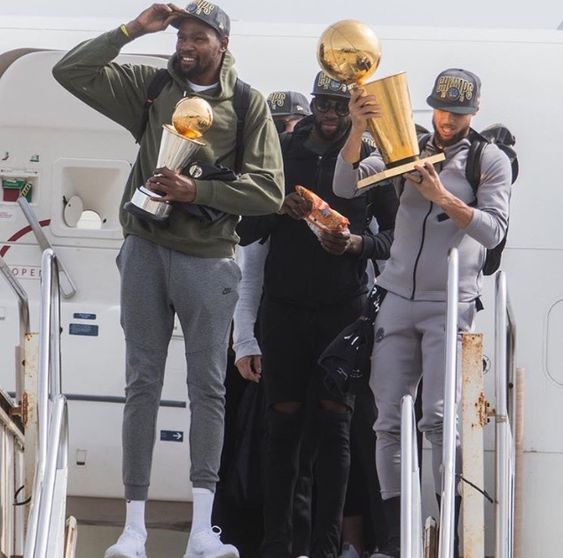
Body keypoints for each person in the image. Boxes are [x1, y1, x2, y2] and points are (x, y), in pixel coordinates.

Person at [52, 2, 284, 558]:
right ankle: (135, 528)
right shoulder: (153, 86)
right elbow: (70, 71)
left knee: (207, 387)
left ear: (222, 44)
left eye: (199, 36)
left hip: (209, 259)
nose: (187, 43)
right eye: (182, 33)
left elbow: (269, 192)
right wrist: (134, 29)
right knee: (141, 384)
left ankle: (203, 530)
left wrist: (195, 191)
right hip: (145, 249)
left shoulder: (248, 103)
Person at [333, 68, 511, 558]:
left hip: (449, 302)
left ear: (473, 113)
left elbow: (494, 231)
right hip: (396, 298)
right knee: (387, 421)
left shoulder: (487, 158)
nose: (448, 121)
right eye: (440, 110)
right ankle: (394, 539)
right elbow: (345, 186)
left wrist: (443, 197)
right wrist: (356, 128)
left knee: (437, 418)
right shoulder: (405, 144)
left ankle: (449, 533)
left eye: (457, 114)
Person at [236, 70, 399, 558]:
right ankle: (278, 543)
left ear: (352, 109)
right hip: (284, 309)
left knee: (335, 431)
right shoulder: (283, 155)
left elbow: (391, 241)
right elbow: (244, 233)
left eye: (339, 106)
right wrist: (277, 211)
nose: (330, 115)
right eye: (323, 105)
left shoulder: (372, 161)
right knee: (281, 428)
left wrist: (354, 244)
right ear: (310, 106)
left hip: (341, 312)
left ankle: (327, 547)